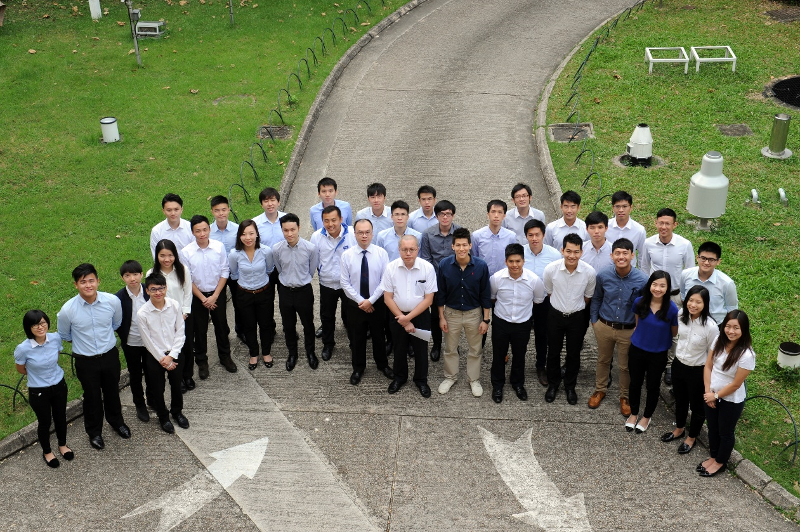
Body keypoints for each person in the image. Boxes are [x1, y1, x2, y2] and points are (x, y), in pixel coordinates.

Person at [57, 263, 129, 450]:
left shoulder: (112, 301)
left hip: (109, 356)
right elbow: (65, 335)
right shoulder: (67, 310)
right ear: (76, 285)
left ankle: (117, 422)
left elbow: (116, 323)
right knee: (92, 397)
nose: (88, 285)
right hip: (85, 361)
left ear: (98, 281)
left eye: (91, 280)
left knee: (113, 391)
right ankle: (94, 432)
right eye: (83, 282)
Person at [587, 238, 647, 415]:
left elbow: (645, 307)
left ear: (632, 256)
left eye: (625, 253)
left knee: (625, 365)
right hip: (604, 326)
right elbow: (597, 298)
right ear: (612, 256)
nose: (621, 257)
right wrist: (594, 321)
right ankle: (600, 390)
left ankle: (624, 397)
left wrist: (639, 328)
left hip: (628, 330)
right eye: (618, 253)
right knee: (603, 360)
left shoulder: (643, 280)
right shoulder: (603, 275)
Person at [640, 207, 695, 385]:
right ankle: (650, 362)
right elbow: (644, 269)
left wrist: (686, 298)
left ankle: (670, 365)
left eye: (667, 223)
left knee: (674, 332)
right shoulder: (648, 243)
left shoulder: (684, 245)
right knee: (653, 327)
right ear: (656, 223)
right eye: (660, 223)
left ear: (675, 225)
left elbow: (690, 272)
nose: (663, 227)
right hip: (654, 295)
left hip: (675, 295)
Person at [436, 228, 492, 398]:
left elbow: (485, 294)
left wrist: (486, 320)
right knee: (450, 348)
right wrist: (441, 317)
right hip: (451, 313)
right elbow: (440, 293)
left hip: (473, 314)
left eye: (464, 245)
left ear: (470, 245)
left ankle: (473, 379)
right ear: (452, 246)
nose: (461, 248)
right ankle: (450, 377)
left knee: (475, 349)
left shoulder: (481, 266)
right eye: (458, 245)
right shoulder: (444, 265)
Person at [661, 286, 718, 454]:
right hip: (679, 365)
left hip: (697, 370)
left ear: (705, 304)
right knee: (680, 400)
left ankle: (692, 437)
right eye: (690, 300)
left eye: (698, 302)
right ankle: (679, 429)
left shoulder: (711, 327)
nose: (693, 305)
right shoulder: (680, 315)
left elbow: (713, 355)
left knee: (697, 407)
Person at [698, 310, 755, 477]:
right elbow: (708, 366)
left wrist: (716, 396)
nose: (731, 331)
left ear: (743, 330)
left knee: (725, 431)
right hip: (711, 393)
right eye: (728, 326)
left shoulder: (747, 354)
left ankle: (720, 462)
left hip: (731, 400)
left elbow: (736, 384)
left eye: (736, 328)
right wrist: (708, 392)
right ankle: (714, 456)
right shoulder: (718, 341)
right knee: (712, 428)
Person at [543, 233, 596, 405]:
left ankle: (570, 387)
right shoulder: (551, 269)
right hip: (555, 315)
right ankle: (553, 385)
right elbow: (549, 291)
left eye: (576, 252)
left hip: (577, 317)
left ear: (581, 252)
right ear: (562, 250)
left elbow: (587, 297)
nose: (572, 256)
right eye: (568, 251)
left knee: (573, 355)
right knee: (553, 353)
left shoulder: (589, 272)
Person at [381, 235, 437, 397]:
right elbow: (387, 298)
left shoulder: (427, 268)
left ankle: (421, 380)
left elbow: (429, 299)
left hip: (420, 315)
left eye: (412, 249)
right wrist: (403, 319)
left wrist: (409, 318)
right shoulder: (391, 268)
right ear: (399, 250)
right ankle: (400, 377)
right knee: (399, 348)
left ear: (417, 250)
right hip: (397, 315)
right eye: (404, 249)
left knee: (421, 350)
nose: (408, 253)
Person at [15, 310, 73, 468]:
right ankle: (47, 452)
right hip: (38, 390)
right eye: (35, 325)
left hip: (59, 385)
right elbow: (21, 369)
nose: (40, 327)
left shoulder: (55, 338)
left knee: (61, 416)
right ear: (28, 328)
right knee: (45, 421)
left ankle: (62, 445)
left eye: (42, 323)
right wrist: (37, 375)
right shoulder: (23, 348)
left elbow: (57, 355)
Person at [489, 243, 546, 403]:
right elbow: (493, 298)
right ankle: (497, 385)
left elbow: (538, 300)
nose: (515, 265)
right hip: (501, 322)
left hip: (523, 324)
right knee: (499, 355)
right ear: (506, 261)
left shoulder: (534, 281)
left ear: (523, 261)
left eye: (518, 261)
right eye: (511, 261)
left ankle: (518, 384)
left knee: (519, 355)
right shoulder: (496, 278)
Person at [340, 219, 393, 385]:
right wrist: (361, 301)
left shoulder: (381, 253)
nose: (364, 235)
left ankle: (382, 364)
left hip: (376, 303)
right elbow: (344, 282)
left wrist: (370, 301)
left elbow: (385, 281)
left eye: (367, 232)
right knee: (357, 338)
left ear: (372, 233)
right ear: (354, 234)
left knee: (378, 335)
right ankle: (358, 368)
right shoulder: (346, 255)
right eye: (360, 232)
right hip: (355, 304)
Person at [181, 215, 235, 378]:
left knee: (221, 325)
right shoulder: (186, 252)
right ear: (193, 232)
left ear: (209, 229)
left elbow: (225, 271)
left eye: (205, 230)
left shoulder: (218, 247)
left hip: (217, 293)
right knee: (200, 329)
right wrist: (203, 299)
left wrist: (215, 296)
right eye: (198, 231)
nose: (202, 233)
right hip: (197, 297)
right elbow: (187, 278)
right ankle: (202, 362)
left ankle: (225, 357)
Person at [625, 270, 679, 434]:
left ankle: (647, 416)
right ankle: (634, 413)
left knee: (653, 386)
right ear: (649, 285)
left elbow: (674, 332)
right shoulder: (640, 302)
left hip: (658, 354)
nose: (657, 288)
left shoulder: (672, 309)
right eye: (655, 284)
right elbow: (637, 322)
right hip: (637, 350)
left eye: (662, 285)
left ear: (668, 288)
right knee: (635, 383)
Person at [137, 273, 189, 434]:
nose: (158, 292)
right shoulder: (142, 313)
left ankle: (177, 412)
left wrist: (172, 355)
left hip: (174, 353)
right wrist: (163, 359)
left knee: (176, 385)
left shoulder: (174, 305)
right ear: (147, 291)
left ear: (166, 288)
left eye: (161, 288)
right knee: (157, 389)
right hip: (155, 357)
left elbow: (180, 332)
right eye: (153, 289)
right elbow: (147, 341)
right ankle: (163, 417)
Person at [273, 213, 320, 371]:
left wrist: (301, 279)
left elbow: (311, 269)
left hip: (304, 291)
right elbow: (279, 269)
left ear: (299, 228)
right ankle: (292, 353)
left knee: (308, 324)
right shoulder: (277, 249)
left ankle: (310, 352)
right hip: (285, 291)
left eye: (292, 229)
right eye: (285, 230)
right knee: (288, 325)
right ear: (282, 230)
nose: (290, 233)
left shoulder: (310, 248)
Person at [310, 205, 356, 361]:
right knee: (327, 316)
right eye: (326, 221)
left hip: (348, 284)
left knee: (351, 317)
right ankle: (328, 344)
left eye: (334, 220)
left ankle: (354, 343)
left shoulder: (352, 234)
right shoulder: (316, 236)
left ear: (341, 220)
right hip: (327, 283)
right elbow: (313, 259)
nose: (330, 224)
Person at [375, 200, 421, 356]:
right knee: (391, 314)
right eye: (396, 214)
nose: (399, 218)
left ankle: (410, 343)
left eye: (403, 214)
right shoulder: (382, 236)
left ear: (408, 216)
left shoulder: (417, 236)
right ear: (391, 216)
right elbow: (380, 258)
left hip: (411, 279)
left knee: (410, 310)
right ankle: (392, 340)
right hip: (391, 280)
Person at [228, 220, 276, 370]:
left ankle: (266, 352)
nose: (248, 237)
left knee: (265, 323)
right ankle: (254, 354)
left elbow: (270, 269)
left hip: (264, 292)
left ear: (257, 234)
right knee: (249, 325)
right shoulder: (234, 254)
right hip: (244, 294)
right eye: (243, 234)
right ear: (239, 236)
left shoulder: (266, 251)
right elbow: (234, 274)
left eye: (251, 233)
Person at [148, 239, 194, 392]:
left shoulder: (182, 269)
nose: (166, 259)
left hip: (182, 316)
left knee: (187, 347)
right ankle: (178, 378)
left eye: (170, 255)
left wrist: (185, 312)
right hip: (164, 319)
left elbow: (187, 292)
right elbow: (152, 297)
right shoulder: (151, 273)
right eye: (162, 256)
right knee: (172, 348)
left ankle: (188, 375)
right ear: (157, 256)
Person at [522, 219, 561, 387]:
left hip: (545, 301)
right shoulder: (520, 252)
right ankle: (518, 365)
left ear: (543, 235)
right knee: (520, 334)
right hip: (524, 300)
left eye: (537, 234)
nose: (534, 238)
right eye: (530, 235)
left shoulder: (554, 255)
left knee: (542, 335)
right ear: (526, 236)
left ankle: (540, 366)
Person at [419, 199, 460, 361]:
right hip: (435, 282)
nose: (445, 217)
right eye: (442, 214)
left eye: (448, 214)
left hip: (456, 282)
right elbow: (426, 260)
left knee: (454, 315)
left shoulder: (460, 232)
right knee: (436, 315)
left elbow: (463, 257)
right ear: (436, 216)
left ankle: (453, 344)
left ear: (453, 215)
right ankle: (436, 344)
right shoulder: (428, 234)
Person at [114, 260, 153, 424]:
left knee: (152, 373)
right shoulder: (118, 298)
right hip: (131, 343)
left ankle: (153, 399)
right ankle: (140, 404)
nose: (132, 278)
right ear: (123, 278)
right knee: (135, 375)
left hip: (151, 342)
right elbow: (116, 322)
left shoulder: (150, 291)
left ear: (142, 275)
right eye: (127, 275)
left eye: (135, 274)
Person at [209, 195, 242, 342]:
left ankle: (241, 330)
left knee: (239, 304)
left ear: (229, 209)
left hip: (236, 273)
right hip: (217, 275)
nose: (221, 213)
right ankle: (223, 333)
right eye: (217, 210)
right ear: (212, 212)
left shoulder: (237, 229)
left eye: (224, 209)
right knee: (219, 307)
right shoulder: (208, 231)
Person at [680, 241, 738, 325]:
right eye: (703, 258)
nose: (706, 263)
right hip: (690, 322)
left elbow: (732, 308)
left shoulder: (727, 283)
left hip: (716, 325)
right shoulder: (685, 275)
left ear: (718, 261)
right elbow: (683, 297)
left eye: (711, 260)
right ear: (697, 258)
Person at [472, 199, 518, 277]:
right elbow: (474, 258)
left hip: (504, 278)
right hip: (482, 278)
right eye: (493, 212)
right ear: (488, 214)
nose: (496, 215)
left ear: (504, 216)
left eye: (500, 212)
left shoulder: (511, 236)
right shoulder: (476, 236)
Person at [605, 191, 646, 268]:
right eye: (617, 206)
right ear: (613, 207)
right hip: (609, 270)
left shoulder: (639, 230)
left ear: (631, 207)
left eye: (624, 206)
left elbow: (642, 255)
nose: (621, 210)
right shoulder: (605, 227)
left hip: (630, 272)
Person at [150, 193, 194, 259]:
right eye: (169, 210)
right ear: (163, 211)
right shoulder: (157, 231)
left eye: (176, 209)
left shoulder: (191, 228)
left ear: (181, 209)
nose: (173, 213)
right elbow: (157, 257)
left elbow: (195, 253)